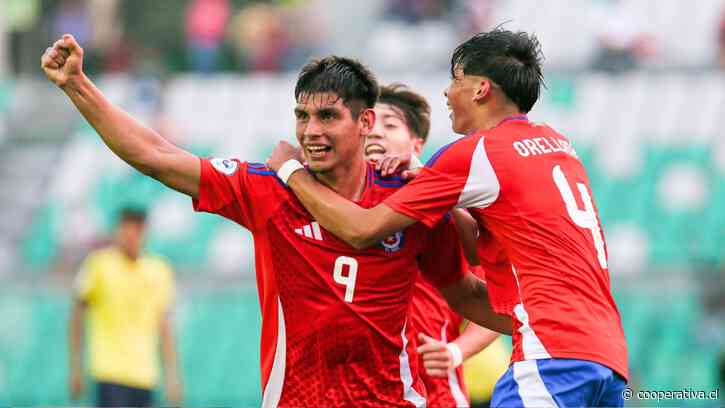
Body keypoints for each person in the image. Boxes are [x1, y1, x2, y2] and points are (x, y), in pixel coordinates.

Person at [42, 35, 510, 407]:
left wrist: (548, 322)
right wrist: (77, 85)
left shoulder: (406, 203)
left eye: (327, 116)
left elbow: (467, 292)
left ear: (365, 121)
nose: (310, 131)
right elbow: (157, 156)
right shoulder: (267, 190)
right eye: (302, 116)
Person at [267, 28, 629, 407]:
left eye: (455, 79)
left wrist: (292, 171)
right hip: (607, 355)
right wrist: (429, 182)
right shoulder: (557, 144)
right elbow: (484, 244)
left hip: (552, 352)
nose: (446, 92)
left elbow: (362, 229)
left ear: (480, 90)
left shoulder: (474, 154)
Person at [367, 83, 501, 407]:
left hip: (434, 391)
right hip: (362, 389)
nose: (375, 133)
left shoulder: (444, 213)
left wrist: (457, 350)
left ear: (416, 143)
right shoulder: (338, 210)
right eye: (367, 124)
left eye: (390, 124)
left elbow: (499, 300)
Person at [68, 207, 181, 407]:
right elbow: (77, 315)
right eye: (125, 230)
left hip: (145, 375)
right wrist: (75, 367)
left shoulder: (159, 270)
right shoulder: (99, 265)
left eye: (136, 231)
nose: (130, 237)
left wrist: (172, 376)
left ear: (144, 232)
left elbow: (165, 326)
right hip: (109, 372)